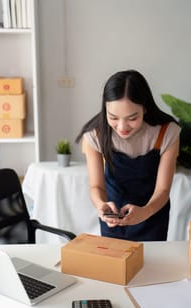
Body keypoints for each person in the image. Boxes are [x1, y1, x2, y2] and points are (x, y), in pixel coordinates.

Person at [75, 69, 181, 241]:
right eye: (113, 117)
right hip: (113, 216)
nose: (122, 127)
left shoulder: (166, 132)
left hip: (152, 214)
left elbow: (163, 189)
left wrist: (145, 212)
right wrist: (101, 206)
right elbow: (96, 187)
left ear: (145, 108)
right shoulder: (96, 134)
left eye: (132, 118)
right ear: (105, 109)